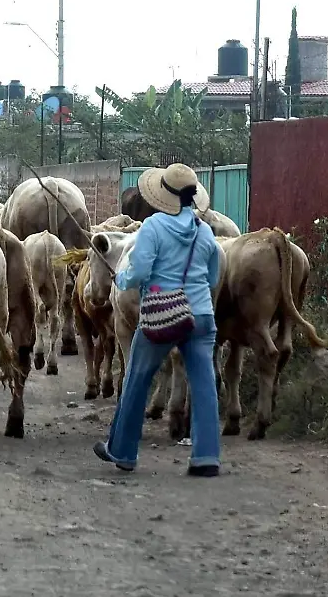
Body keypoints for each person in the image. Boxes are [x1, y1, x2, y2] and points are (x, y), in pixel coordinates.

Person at [93, 163, 223, 477]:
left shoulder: (152, 227)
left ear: (162, 194)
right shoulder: (205, 232)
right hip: (202, 316)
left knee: (137, 380)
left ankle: (123, 451)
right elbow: (214, 276)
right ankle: (206, 458)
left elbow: (136, 272)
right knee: (204, 384)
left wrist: (121, 279)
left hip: (161, 313)